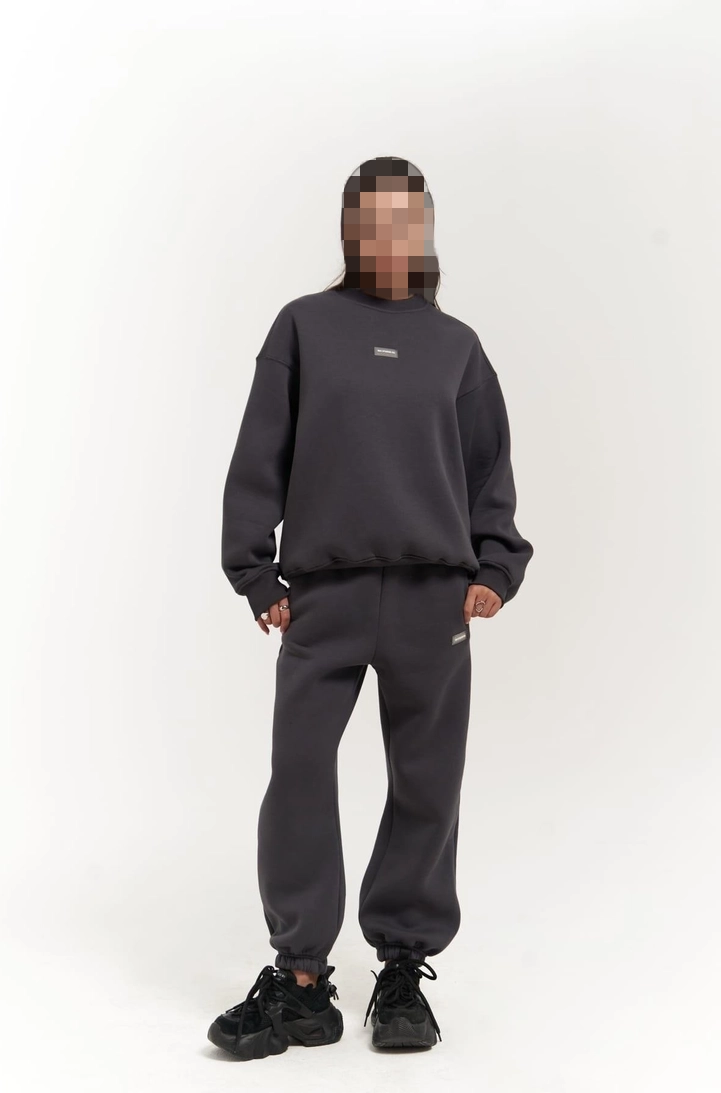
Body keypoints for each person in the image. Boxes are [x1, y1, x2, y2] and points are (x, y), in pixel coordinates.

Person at [207, 156, 534, 1061]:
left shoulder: (456, 346)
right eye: (373, 221)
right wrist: (255, 573)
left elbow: (487, 470)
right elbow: (259, 453)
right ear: (349, 230)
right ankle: (300, 981)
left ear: (425, 229)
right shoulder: (303, 327)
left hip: (435, 599)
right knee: (299, 774)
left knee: (427, 782)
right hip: (325, 595)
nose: (390, 237)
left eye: (406, 220)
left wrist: (496, 565)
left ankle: (400, 969)